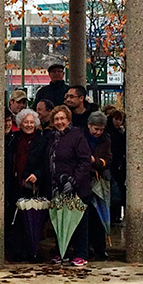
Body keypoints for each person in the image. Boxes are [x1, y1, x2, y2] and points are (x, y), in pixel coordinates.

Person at [46, 104, 92, 266]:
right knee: (60, 221)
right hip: (57, 187)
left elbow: (85, 161)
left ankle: (81, 253)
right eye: (56, 119)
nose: (59, 122)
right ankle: (62, 251)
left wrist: (73, 180)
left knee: (78, 222)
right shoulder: (51, 137)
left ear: (68, 119)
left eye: (62, 118)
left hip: (77, 188)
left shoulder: (77, 136)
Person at [8, 108, 46, 261]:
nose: (29, 125)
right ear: (20, 123)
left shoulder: (42, 139)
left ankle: (33, 251)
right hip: (17, 184)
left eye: (31, 122)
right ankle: (17, 252)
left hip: (34, 185)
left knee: (32, 220)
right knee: (16, 220)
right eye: (26, 122)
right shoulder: (14, 139)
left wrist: (37, 174)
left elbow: (45, 161)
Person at [86, 111, 112, 260]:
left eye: (101, 129)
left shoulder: (106, 140)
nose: (98, 132)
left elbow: (108, 160)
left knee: (100, 215)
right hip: (85, 180)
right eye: (96, 129)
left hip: (100, 180)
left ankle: (100, 248)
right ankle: (87, 246)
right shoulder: (81, 137)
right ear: (89, 125)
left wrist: (96, 162)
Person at [106, 109, 126, 223]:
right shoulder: (110, 133)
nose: (118, 122)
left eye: (120, 120)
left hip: (118, 167)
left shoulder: (119, 133)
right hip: (111, 166)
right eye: (116, 119)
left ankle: (116, 216)